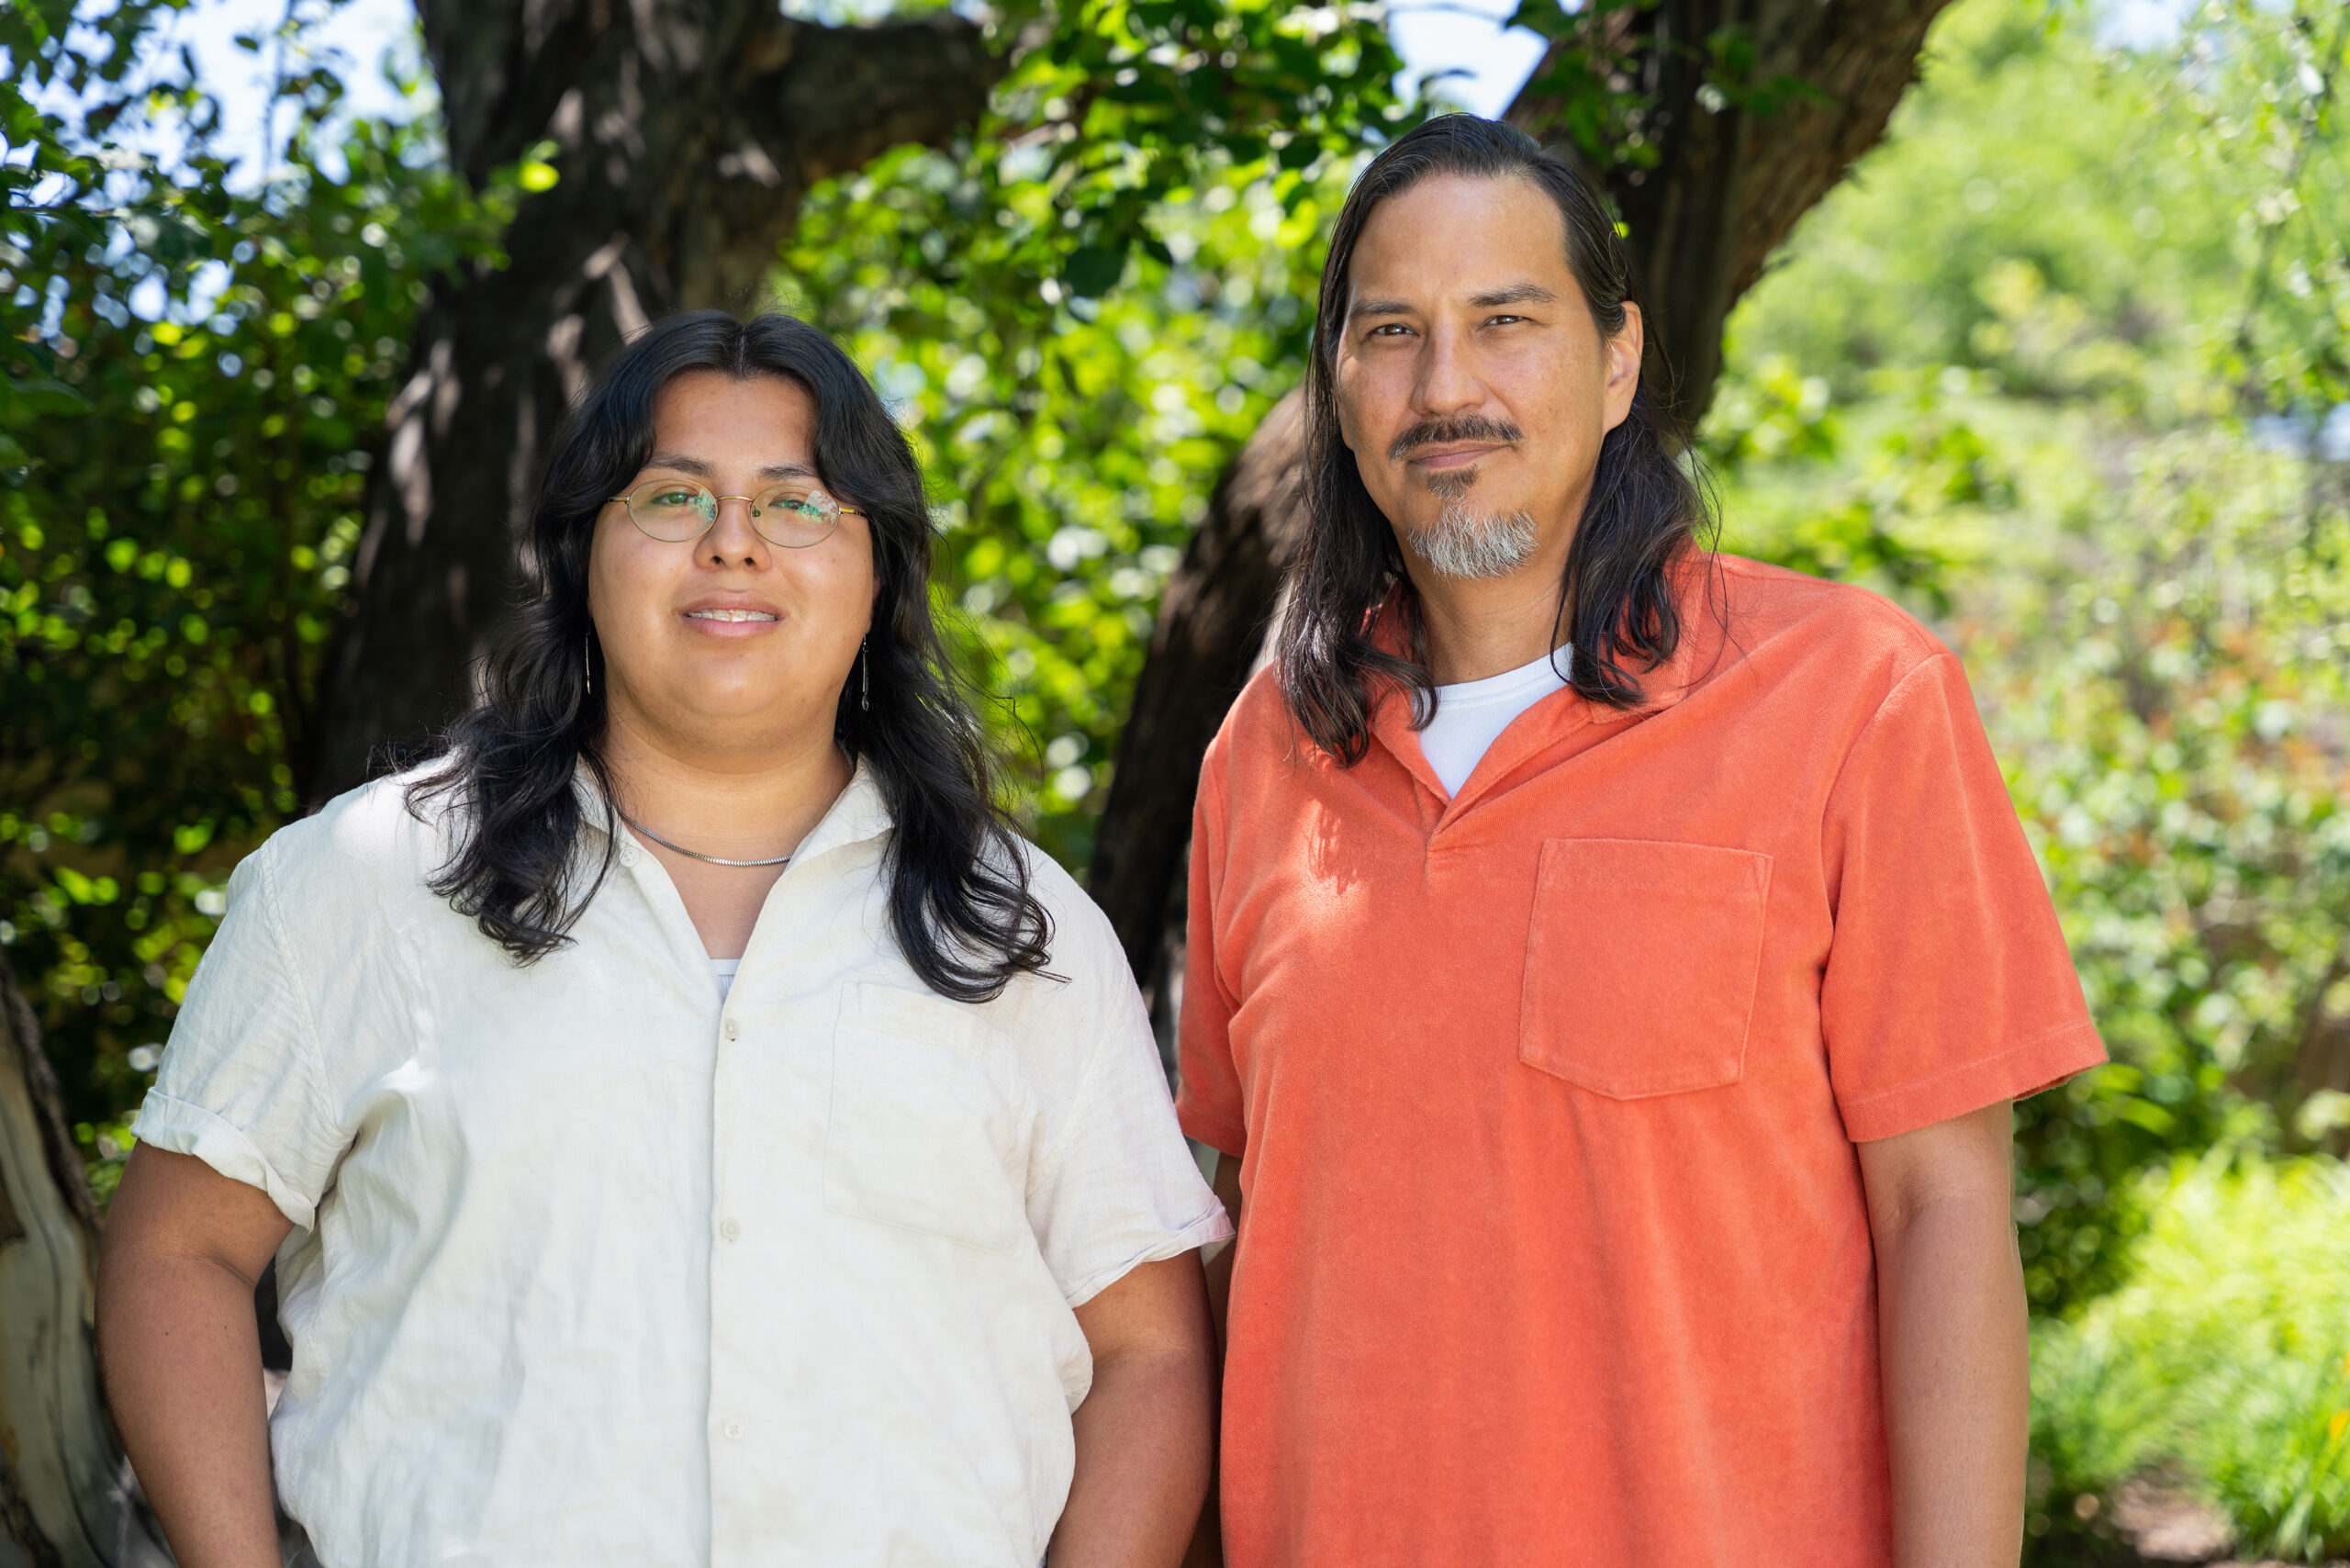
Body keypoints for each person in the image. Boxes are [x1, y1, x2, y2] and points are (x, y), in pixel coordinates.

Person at [97, 309, 1229, 1568]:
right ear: (584, 554)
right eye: (672, 497)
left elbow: (1154, 1352)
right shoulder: (365, 888)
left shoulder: (1024, 932)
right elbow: (176, 1253)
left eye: (798, 505)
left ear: (880, 577)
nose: (733, 545)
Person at [1177, 115, 2106, 1567]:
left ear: (1617, 364)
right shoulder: (1261, 760)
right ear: (1342, 393)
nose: (1448, 387)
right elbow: (1236, 1229)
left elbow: (1943, 1212)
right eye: (1392, 333)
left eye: (1506, 322)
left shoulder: (1853, 693)